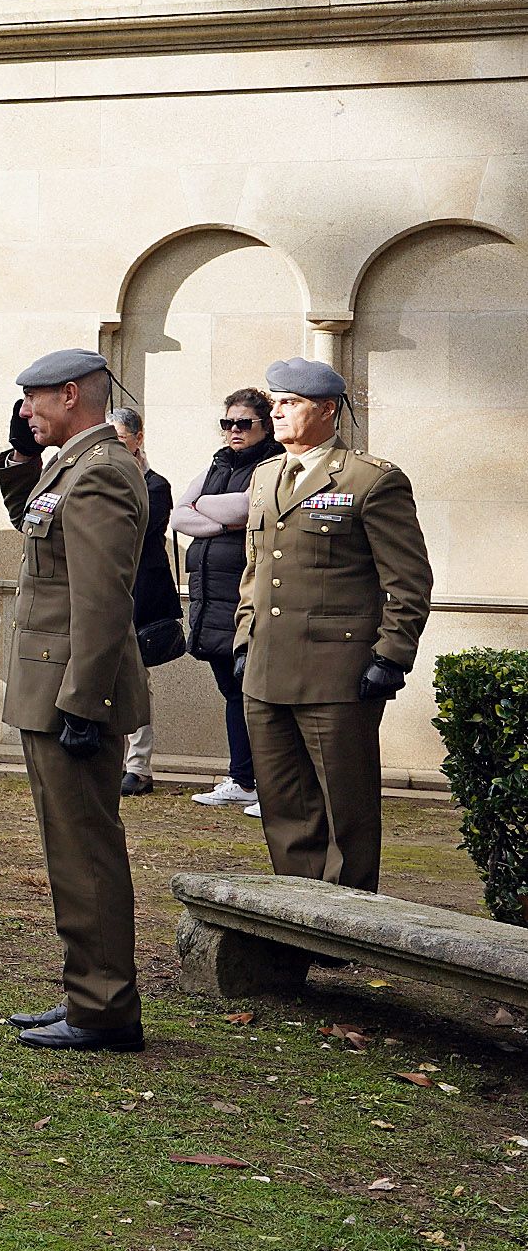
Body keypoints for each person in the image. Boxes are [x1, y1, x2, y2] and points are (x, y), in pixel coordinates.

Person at [0, 350, 151, 1053]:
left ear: (70, 393)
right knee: (69, 849)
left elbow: (101, 599)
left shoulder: (103, 470)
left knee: (84, 851)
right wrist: (19, 454)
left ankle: (104, 1009)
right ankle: (86, 993)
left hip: (68, 691)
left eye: (32, 401)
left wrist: (83, 703)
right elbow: (37, 532)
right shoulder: (73, 464)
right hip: (49, 684)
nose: (25, 412)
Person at [236, 357, 433, 891]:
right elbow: (256, 568)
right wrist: (243, 636)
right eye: (273, 401)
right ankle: (297, 919)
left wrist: (392, 655)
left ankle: (344, 926)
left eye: (289, 402)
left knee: (345, 809)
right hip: (266, 668)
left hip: (337, 672)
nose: (274, 411)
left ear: (326, 409)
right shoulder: (265, 474)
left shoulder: (371, 479)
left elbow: (409, 579)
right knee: (283, 806)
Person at [171, 388, 280, 809]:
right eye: (227, 423)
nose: (233, 431)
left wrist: (206, 507)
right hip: (210, 598)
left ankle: (271, 786)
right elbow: (180, 513)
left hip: (244, 595)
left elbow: (245, 508)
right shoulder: (216, 464)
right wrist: (218, 525)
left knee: (256, 693)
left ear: (264, 425)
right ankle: (242, 778)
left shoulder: (271, 466)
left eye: (243, 423)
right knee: (232, 691)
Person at [106, 407, 181, 796]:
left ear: (138, 439)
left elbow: (133, 529)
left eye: (119, 440)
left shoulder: (155, 485)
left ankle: (138, 765)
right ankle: (109, 760)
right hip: (104, 593)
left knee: (136, 679)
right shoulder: (101, 480)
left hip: (141, 595)